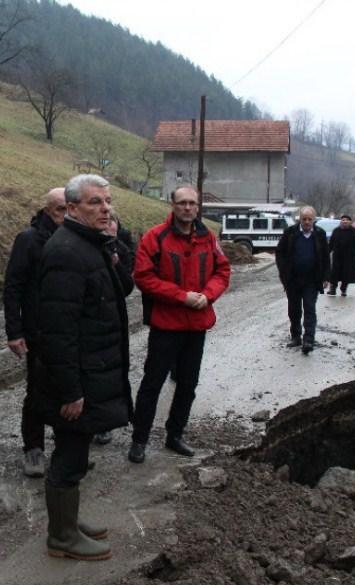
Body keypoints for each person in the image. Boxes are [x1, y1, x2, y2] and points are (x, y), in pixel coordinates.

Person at [37, 174, 133, 561]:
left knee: (74, 451)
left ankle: (68, 522)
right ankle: (61, 537)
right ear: (72, 208)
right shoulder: (66, 253)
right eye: (95, 202)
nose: (105, 208)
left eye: (107, 201)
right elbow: (57, 332)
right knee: (69, 456)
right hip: (77, 380)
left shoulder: (89, 245)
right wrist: (71, 391)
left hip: (92, 371)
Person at [127, 185, 231, 464]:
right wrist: (181, 297)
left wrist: (208, 295)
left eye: (192, 203)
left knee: (188, 384)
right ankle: (140, 439)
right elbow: (143, 276)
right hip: (166, 325)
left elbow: (222, 270)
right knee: (152, 383)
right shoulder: (155, 237)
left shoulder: (208, 238)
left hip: (196, 326)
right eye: (182, 203)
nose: (187, 208)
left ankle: (175, 435)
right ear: (172, 205)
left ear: (198, 207)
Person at [3, 187, 67, 477]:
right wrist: (14, 331)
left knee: (69, 388)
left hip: (67, 330)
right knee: (37, 391)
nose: (65, 216)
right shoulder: (29, 239)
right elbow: (13, 287)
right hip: (37, 330)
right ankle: (33, 448)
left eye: (69, 209)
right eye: (59, 210)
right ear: (48, 210)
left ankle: (66, 447)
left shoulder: (76, 238)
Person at [92, 211, 135, 446]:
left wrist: (117, 264)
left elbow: (127, 287)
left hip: (113, 320)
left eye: (112, 222)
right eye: (105, 222)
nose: (109, 227)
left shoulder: (123, 250)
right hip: (90, 319)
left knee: (109, 374)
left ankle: (105, 425)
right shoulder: (87, 248)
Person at [275, 205, 330, 355]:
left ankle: (309, 339)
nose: (306, 222)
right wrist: (283, 271)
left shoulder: (319, 234)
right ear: (299, 219)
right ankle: (296, 336)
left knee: (309, 308)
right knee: (294, 309)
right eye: (304, 219)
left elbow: (325, 257)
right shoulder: (291, 233)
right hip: (293, 279)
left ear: (314, 220)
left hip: (312, 280)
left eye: (309, 219)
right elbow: (280, 252)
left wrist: (326, 277)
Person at [327, 214, 355, 297]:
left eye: (346, 220)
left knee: (346, 274)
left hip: (348, 257)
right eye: (343, 220)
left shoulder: (354, 231)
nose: (344, 221)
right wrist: (327, 252)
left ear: (350, 222)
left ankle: (343, 289)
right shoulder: (336, 231)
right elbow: (331, 243)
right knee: (334, 273)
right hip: (337, 256)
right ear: (341, 222)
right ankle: (332, 289)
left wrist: (353, 252)